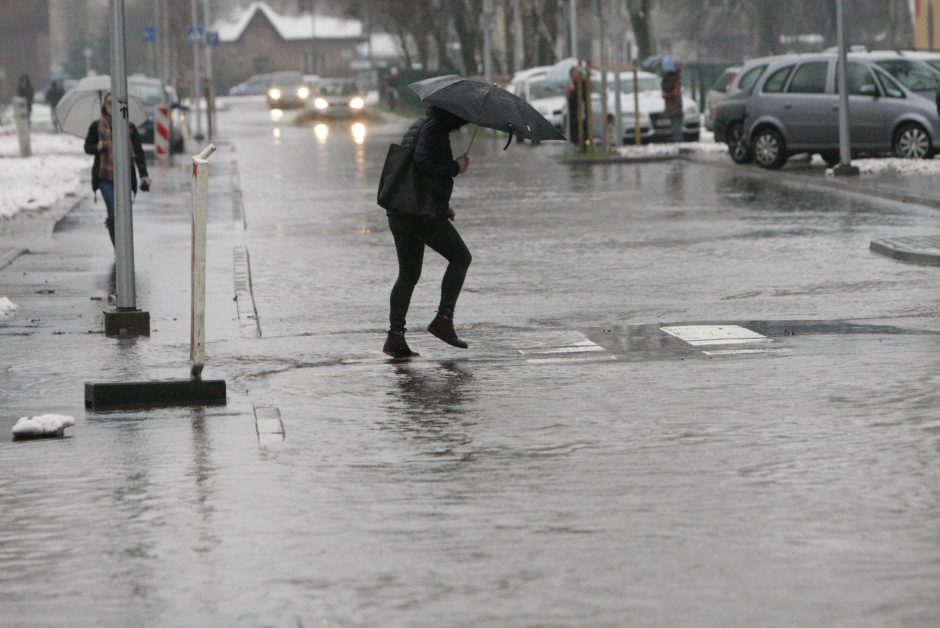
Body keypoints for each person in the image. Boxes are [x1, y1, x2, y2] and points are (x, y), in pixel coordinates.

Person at [383, 105, 472, 359]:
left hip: (401, 210)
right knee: (461, 258)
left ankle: (395, 338)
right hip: (418, 215)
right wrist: (456, 167)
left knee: (408, 275)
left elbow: (417, 174)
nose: (462, 124)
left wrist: (442, 207)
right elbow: (424, 163)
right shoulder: (434, 130)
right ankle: (444, 319)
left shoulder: (421, 125)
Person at [83, 92, 151, 246]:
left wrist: (144, 175)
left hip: (124, 177)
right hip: (104, 177)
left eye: (114, 103)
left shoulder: (129, 127)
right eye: (108, 103)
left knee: (124, 212)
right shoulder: (96, 126)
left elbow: (138, 152)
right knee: (114, 210)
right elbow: (87, 147)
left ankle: (124, 246)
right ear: (104, 105)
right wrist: (97, 147)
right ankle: (118, 247)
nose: (111, 106)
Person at [565, 66, 589, 152]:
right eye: (573, 74)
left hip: (582, 109)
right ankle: (577, 143)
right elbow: (569, 97)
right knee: (575, 127)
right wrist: (569, 92)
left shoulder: (583, 83)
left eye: (576, 73)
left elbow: (584, 95)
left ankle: (584, 144)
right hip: (573, 111)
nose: (575, 75)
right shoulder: (570, 84)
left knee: (583, 126)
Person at [660, 65, 684, 144]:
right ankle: (679, 142)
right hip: (676, 107)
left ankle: (678, 141)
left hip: (670, 107)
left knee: (675, 126)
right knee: (677, 126)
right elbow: (675, 93)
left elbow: (668, 93)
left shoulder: (666, 80)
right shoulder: (675, 80)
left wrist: (666, 96)